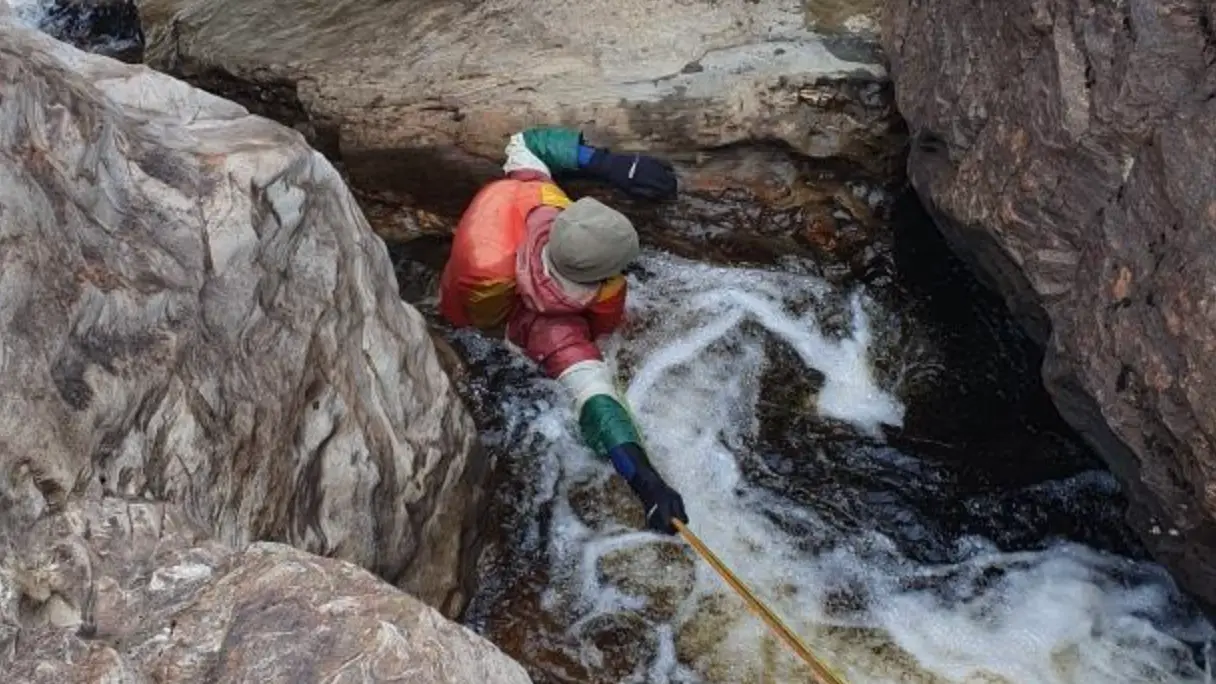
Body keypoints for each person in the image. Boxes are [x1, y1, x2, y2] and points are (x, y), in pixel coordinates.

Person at [438, 126, 689, 535]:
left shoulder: (536, 203)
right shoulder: (552, 327)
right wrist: (644, 480)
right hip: (495, 324)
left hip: (471, 269)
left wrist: (610, 165)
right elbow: (595, 400)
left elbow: (525, 143)